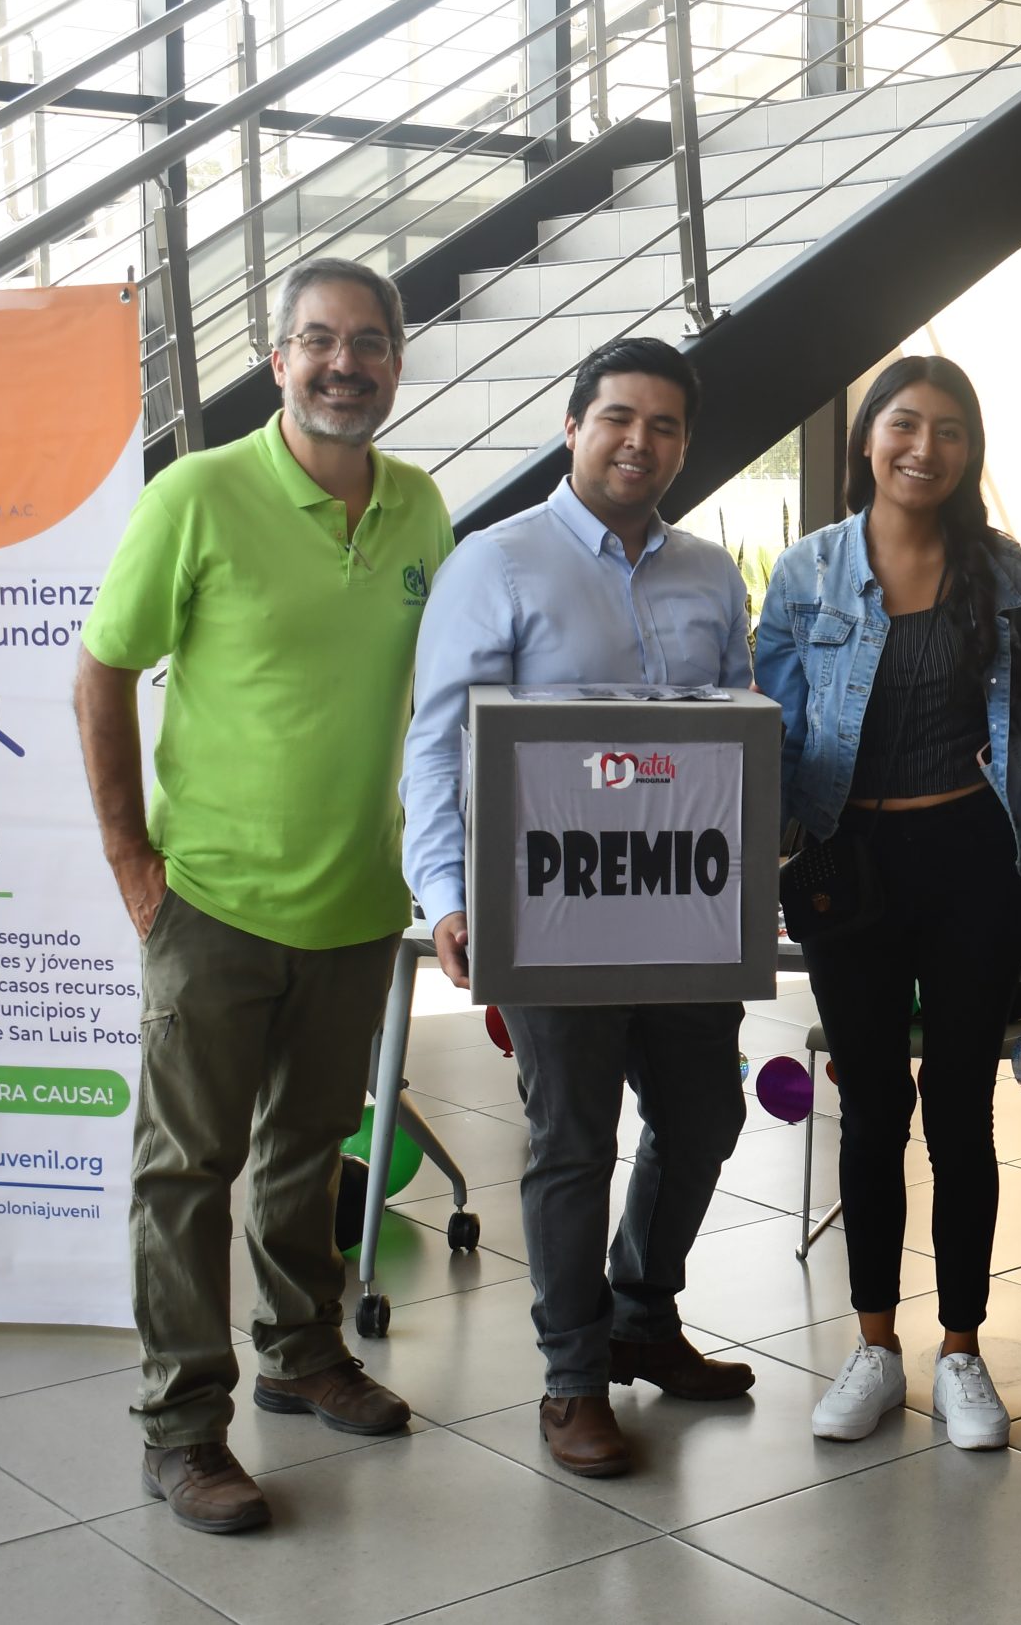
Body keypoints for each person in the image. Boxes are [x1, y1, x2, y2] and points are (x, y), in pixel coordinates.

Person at [76, 259, 450, 1533]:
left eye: (370, 344)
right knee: (187, 1171)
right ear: (276, 354)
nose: (345, 365)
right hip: (217, 903)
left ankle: (303, 1353)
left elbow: (447, 704)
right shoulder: (201, 492)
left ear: (399, 358)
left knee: (308, 1151)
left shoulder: (419, 507)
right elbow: (102, 670)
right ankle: (182, 1429)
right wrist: (134, 864)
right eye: (319, 343)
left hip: (359, 902)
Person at [399, 338, 758, 1478]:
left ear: (684, 446)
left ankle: (644, 1314)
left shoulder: (709, 574)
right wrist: (449, 895)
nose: (638, 442)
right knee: (571, 1138)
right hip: (548, 912)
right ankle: (571, 1379)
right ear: (572, 426)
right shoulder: (494, 565)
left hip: (682, 911)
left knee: (705, 1115)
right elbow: (436, 747)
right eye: (617, 418)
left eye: (663, 426)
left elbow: (733, 743)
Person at [753, 355, 1021, 1451]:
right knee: (873, 1102)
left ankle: (965, 1351)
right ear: (867, 441)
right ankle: (876, 1345)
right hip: (848, 861)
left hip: (971, 859)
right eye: (902, 425)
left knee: (960, 1110)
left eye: (946, 430)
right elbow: (771, 725)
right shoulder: (806, 573)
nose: (922, 448)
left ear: (969, 450)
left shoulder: (1010, 577)